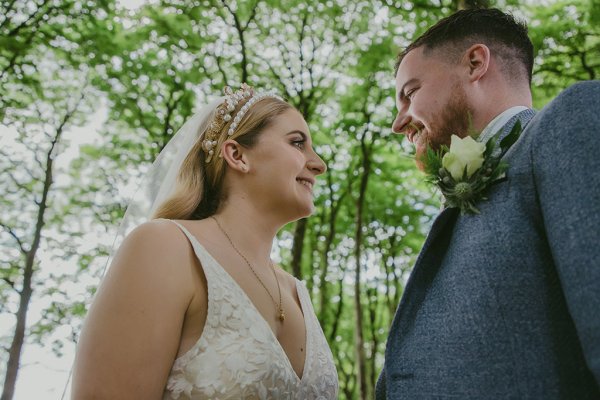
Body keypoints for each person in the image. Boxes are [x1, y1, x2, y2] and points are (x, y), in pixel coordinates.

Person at [377, 8, 600, 399]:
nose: (399, 123)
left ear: (476, 63)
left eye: (410, 93)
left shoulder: (571, 122)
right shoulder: (454, 210)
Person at [71, 84, 338, 399]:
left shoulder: (298, 293)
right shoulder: (165, 247)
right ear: (237, 155)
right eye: (297, 143)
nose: (319, 164)